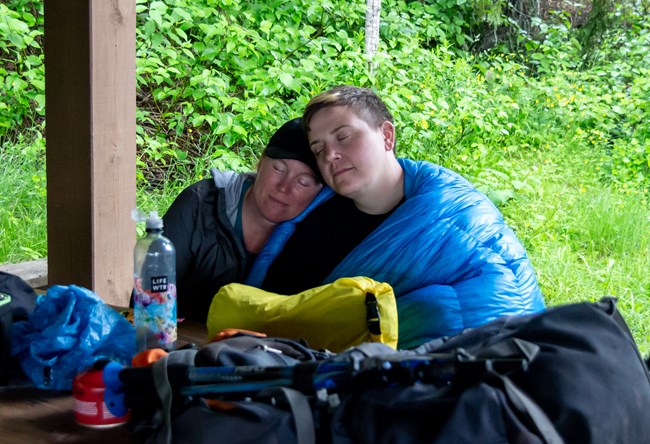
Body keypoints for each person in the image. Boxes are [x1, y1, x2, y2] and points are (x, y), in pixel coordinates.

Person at [245, 86, 545, 349]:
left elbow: (504, 301)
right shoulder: (314, 213)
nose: (330, 155)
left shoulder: (450, 213)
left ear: (387, 136)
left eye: (344, 137)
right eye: (319, 148)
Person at [163, 118, 323, 322]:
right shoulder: (200, 203)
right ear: (261, 162)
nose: (284, 187)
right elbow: (150, 295)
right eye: (279, 169)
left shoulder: (316, 234)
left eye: (303, 181)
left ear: (319, 193)